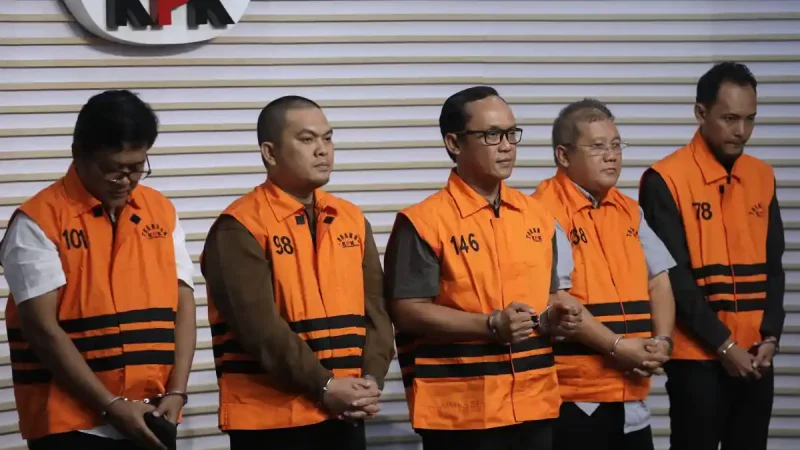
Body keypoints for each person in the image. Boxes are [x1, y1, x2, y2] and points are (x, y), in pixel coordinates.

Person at [384, 86, 583, 450]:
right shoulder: (424, 222)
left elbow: (548, 296)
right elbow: (407, 311)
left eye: (511, 133)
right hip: (461, 413)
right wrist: (490, 325)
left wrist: (555, 316)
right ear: (454, 143)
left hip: (534, 404)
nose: (507, 146)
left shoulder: (537, 216)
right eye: (492, 135)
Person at [0, 90, 197, 450]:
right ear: (79, 154)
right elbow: (42, 330)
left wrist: (177, 391)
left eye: (137, 167)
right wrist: (110, 406)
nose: (126, 179)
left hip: (151, 416)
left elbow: (184, 303)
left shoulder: (160, 211)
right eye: (113, 169)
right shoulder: (38, 221)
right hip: (70, 428)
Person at [200, 95, 395, 450]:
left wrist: (370, 381)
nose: (322, 150)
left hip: (345, 411)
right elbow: (259, 330)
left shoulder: (351, 219)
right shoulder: (239, 226)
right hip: (272, 422)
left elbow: (377, 313)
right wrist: (325, 386)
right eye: (307, 139)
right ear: (270, 153)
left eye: (328, 138)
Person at [639, 62, 785, 450]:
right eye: (730, 118)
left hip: (755, 357)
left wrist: (770, 335)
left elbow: (774, 266)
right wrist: (724, 345)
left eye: (750, 119)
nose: (742, 131)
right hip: (696, 359)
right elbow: (674, 278)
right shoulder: (665, 179)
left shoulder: (762, 176)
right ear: (700, 113)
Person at [532, 98, 676, 450]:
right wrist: (617, 347)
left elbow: (659, 281)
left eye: (616, 145)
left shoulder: (629, 210)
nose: (612, 156)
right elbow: (556, 297)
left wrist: (661, 342)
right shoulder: (542, 211)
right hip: (575, 399)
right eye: (597, 147)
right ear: (563, 156)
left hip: (632, 393)